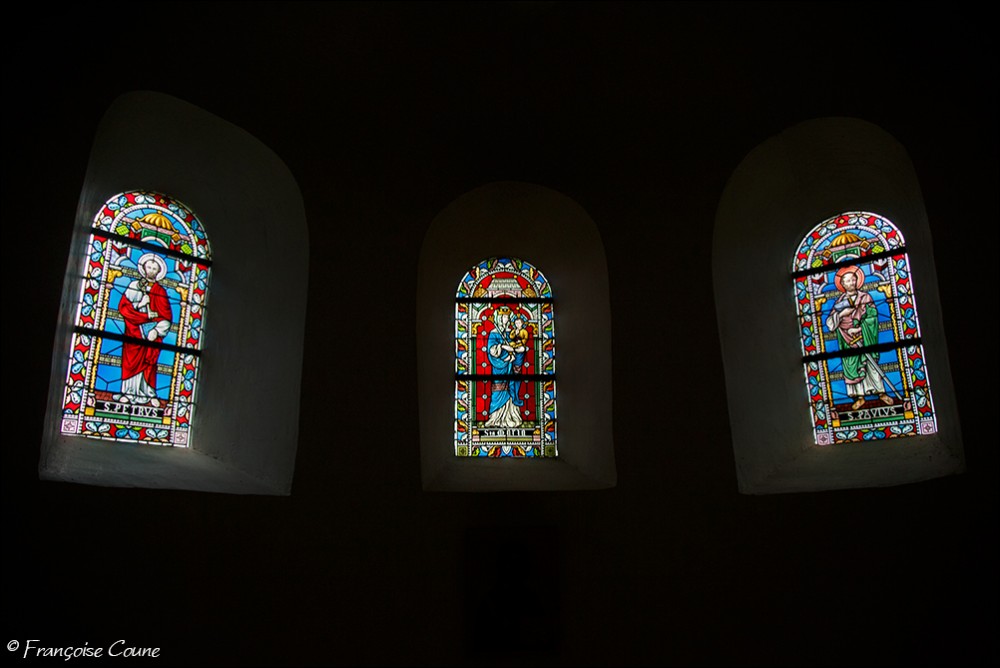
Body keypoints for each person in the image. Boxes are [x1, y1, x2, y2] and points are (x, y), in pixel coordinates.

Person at [825, 265, 892, 411]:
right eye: (848, 281)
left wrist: (860, 328)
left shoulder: (865, 297)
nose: (851, 283)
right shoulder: (839, 302)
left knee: (870, 365)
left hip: (864, 337)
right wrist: (841, 314)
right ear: (843, 284)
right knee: (852, 366)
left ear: (857, 281)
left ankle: (881, 393)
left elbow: (873, 316)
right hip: (847, 340)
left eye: (853, 280)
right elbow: (830, 324)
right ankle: (859, 397)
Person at [116, 254, 172, 406]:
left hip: (151, 333)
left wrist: (157, 331)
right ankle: (128, 393)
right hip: (134, 331)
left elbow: (167, 317)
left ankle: (150, 393)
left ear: (158, 271)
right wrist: (140, 305)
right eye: (149, 267)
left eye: (154, 268)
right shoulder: (134, 286)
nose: (151, 270)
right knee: (130, 362)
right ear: (143, 268)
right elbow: (123, 308)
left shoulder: (160, 291)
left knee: (149, 364)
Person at [484, 306, 523, 428]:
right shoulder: (494, 333)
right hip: (499, 366)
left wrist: (518, 349)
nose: (506, 319)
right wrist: (503, 347)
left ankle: (512, 416)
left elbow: (517, 345)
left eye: (507, 317)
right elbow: (491, 350)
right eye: (504, 317)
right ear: (499, 318)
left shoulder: (511, 333)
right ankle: (495, 418)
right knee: (498, 390)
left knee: (511, 388)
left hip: (510, 365)